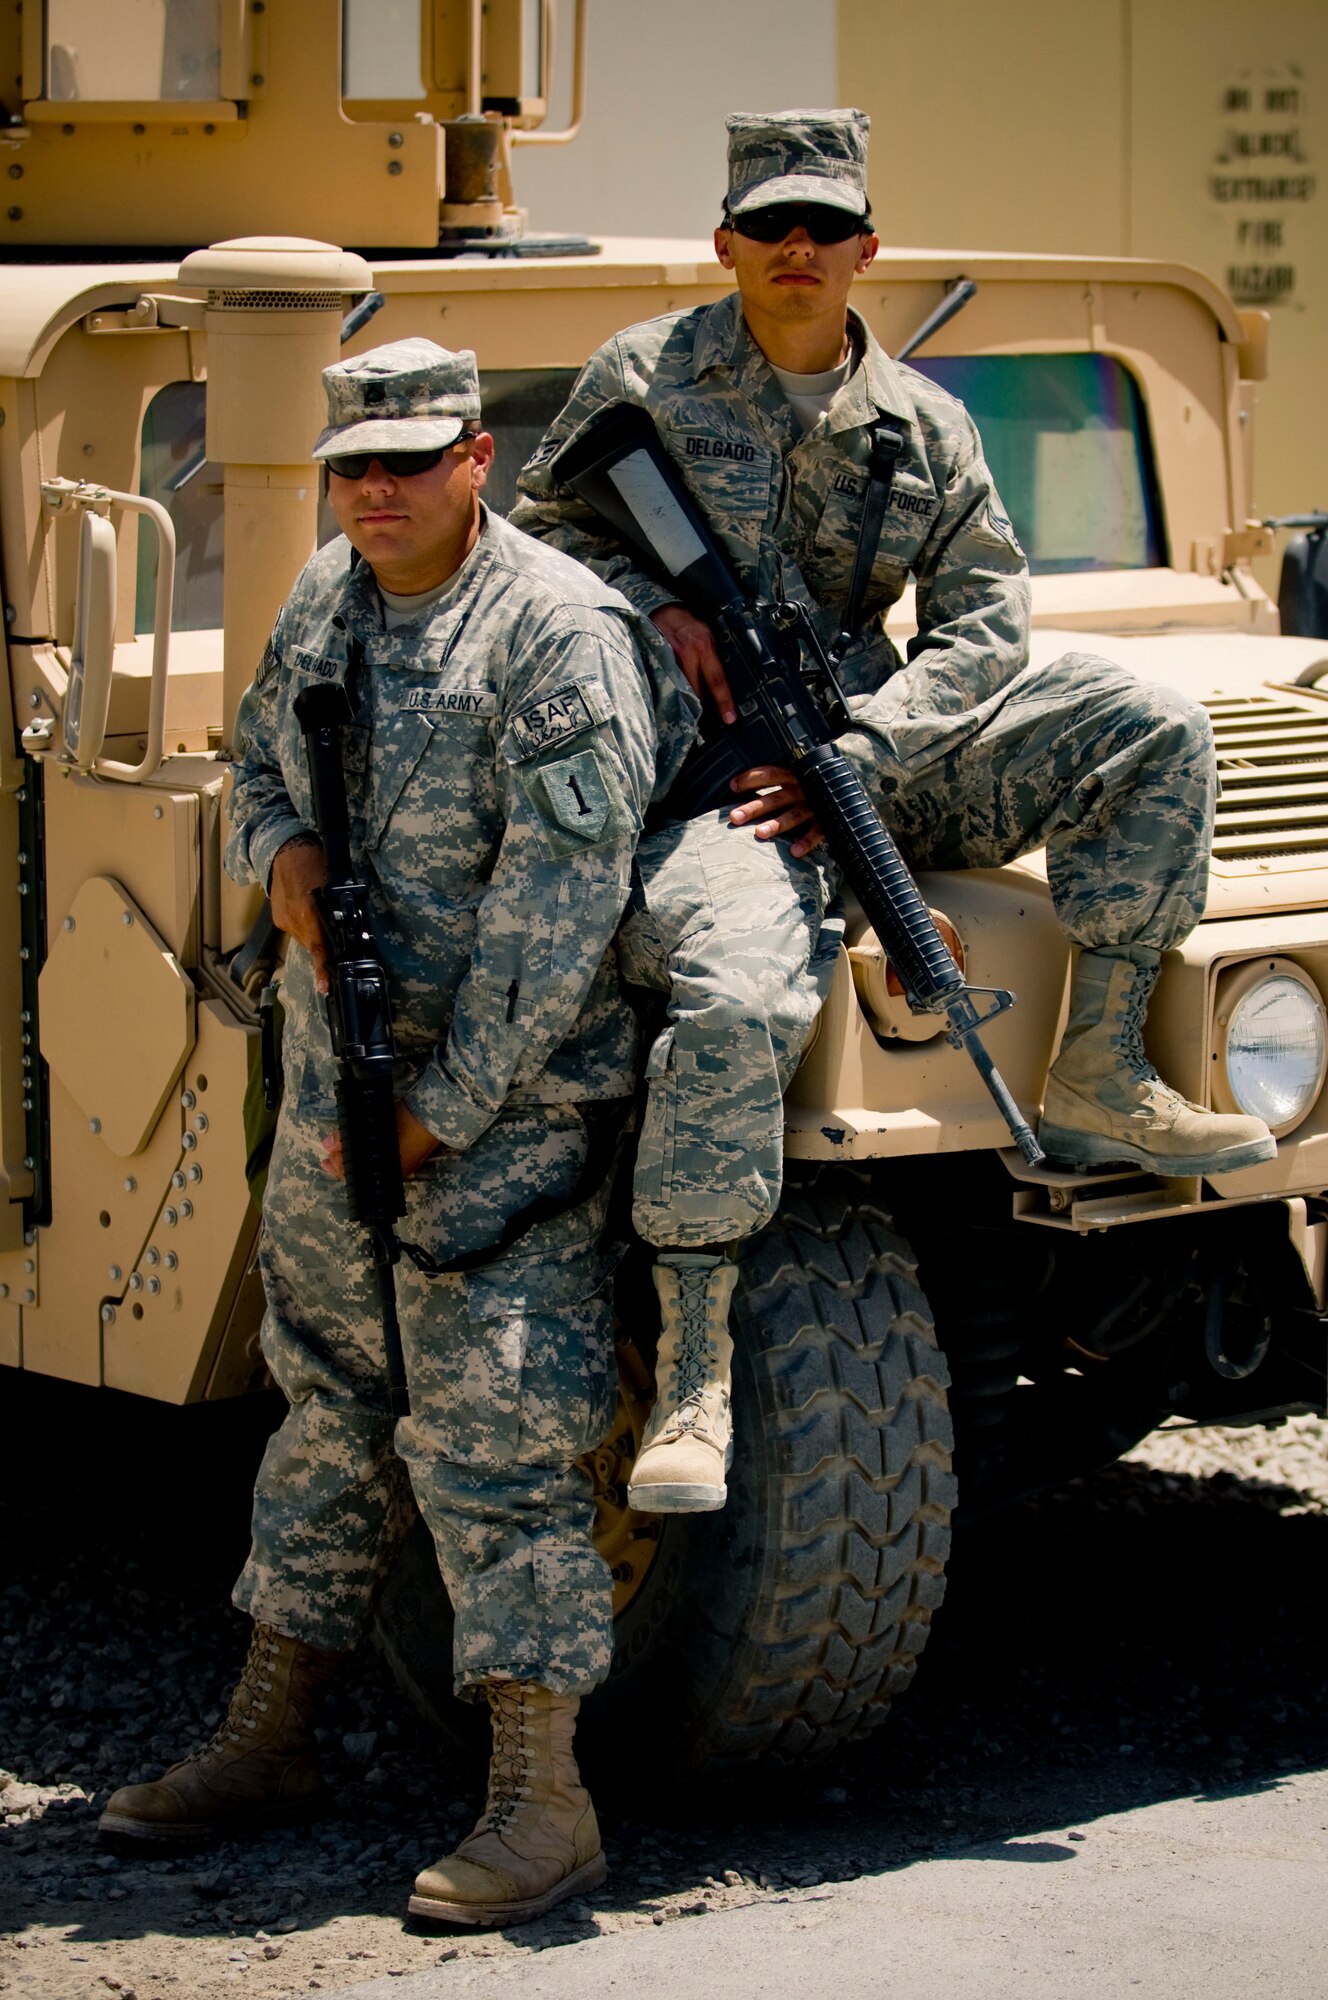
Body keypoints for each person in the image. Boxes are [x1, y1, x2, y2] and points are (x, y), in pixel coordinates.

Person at [511, 107, 1276, 1515]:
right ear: (726, 243)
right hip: (718, 779)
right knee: (738, 998)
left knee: (1149, 722)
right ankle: (693, 1370)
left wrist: (865, 746)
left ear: (868, 248)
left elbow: (987, 622)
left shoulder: (924, 424)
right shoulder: (647, 379)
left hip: (862, 744)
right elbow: (541, 539)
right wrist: (662, 607)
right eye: (767, 227)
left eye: (822, 228)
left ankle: (1102, 1068)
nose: (795, 251)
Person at [97, 339, 689, 1928]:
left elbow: (561, 915)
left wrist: (440, 1111)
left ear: (476, 464)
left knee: (502, 1437)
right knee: (330, 1397)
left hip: (499, 1113)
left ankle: (542, 1805)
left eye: (411, 463)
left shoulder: (557, 636)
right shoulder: (326, 596)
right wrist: (281, 850)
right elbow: (258, 767)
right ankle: (267, 1735)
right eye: (356, 465)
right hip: (337, 1098)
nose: (376, 491)